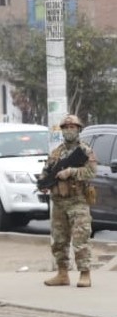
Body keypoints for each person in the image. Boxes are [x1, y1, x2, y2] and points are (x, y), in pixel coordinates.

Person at [42, 114, 97, 288]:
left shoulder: (85, 151)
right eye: (65, 128)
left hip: (78, 201)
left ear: (78, 129)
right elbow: (46, 171)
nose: (68, 131)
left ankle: (85, 274)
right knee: (59, 240)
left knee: (81, 239)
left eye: (72, 127)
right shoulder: (56, 152)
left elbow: (91, 172)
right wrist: (44, 182)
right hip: (59, 202)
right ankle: (62, 273)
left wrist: (71, 172)